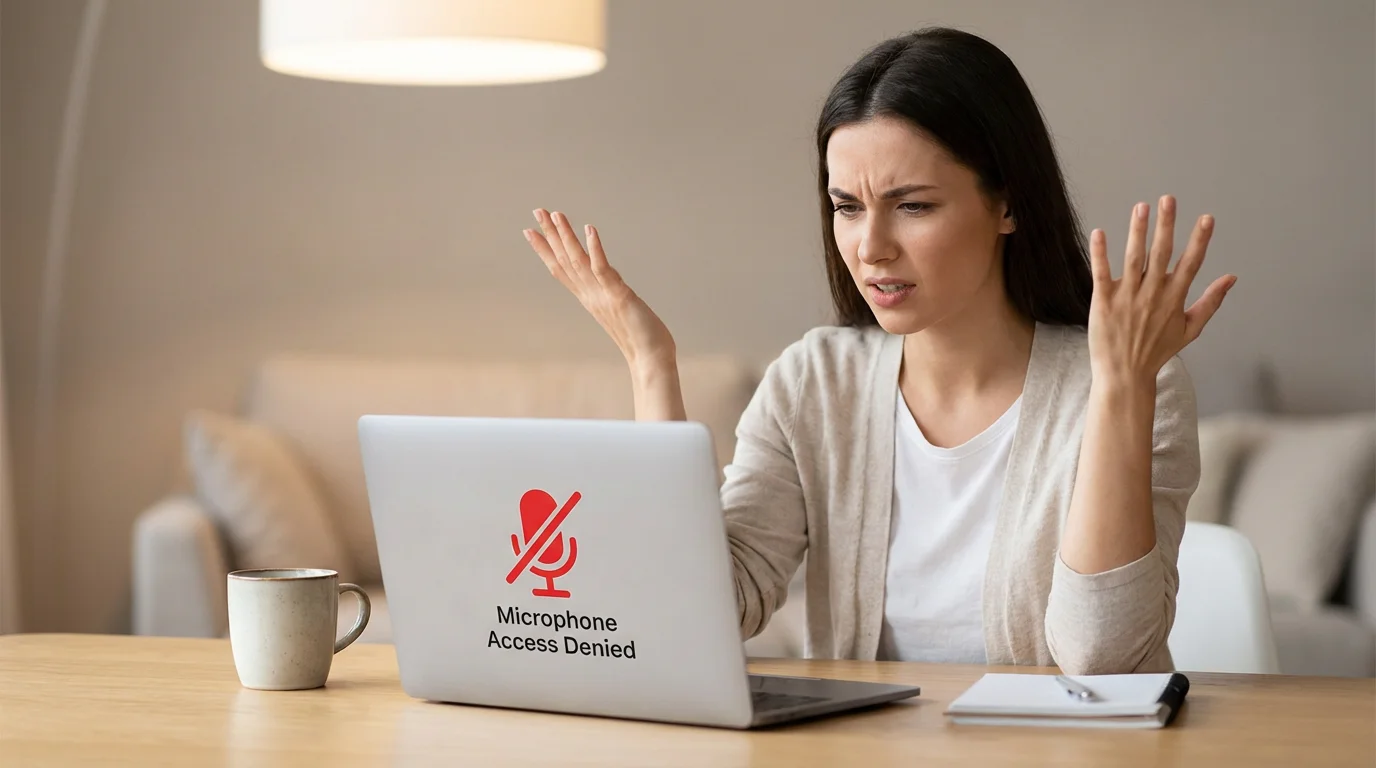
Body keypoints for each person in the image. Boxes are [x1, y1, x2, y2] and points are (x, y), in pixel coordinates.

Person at [520, 27, 1235, 675]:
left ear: (1007, 205)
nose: (871, 248)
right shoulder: (814, 381)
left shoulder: (1140, 386)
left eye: (913, 205)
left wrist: (1119, 390)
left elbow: (1101, 656)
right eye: (847, 207)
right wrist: (651, 363)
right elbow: (704, 609)